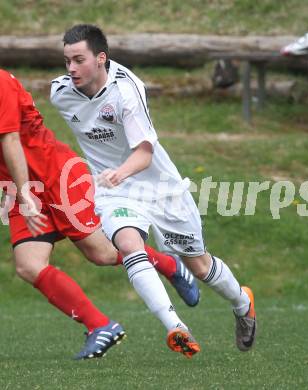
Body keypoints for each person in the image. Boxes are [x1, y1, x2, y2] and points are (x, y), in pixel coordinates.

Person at [51, 24, 257, 353]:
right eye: (67, 61)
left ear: (101, 58)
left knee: (199, 265)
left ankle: (242, 304)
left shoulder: (127, 90)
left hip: (158, 187)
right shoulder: (60, 93)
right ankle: (176, 327)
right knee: (130, 244)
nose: (71, 69)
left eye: (79, 60)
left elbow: (145, 153)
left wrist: (120, 172)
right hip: (113, 191)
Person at [0, 69, 200, 360]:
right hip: (20, 186)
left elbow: (10, 141)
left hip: (56, 176)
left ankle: (169, 263)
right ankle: (100, 326)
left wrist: (25, 194)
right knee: (29, 265)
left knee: (102, 254)